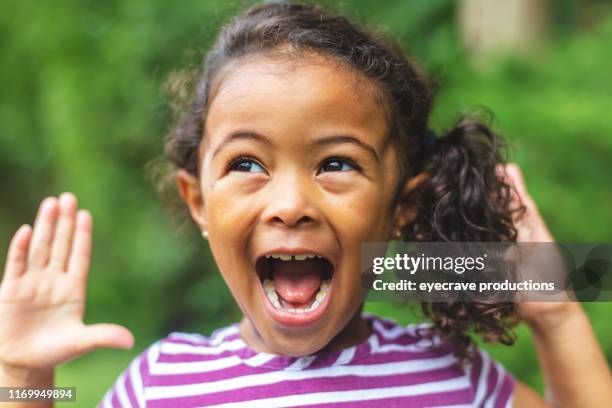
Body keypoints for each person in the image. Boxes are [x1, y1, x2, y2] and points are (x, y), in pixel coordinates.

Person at [1, 2, 610, 407]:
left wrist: (555, 314)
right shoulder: (161, 382)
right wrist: (23, 382)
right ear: (198, 201)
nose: (291, 204)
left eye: (336, 163)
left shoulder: (452, 373)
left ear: (402, 206)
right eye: (246, 164)